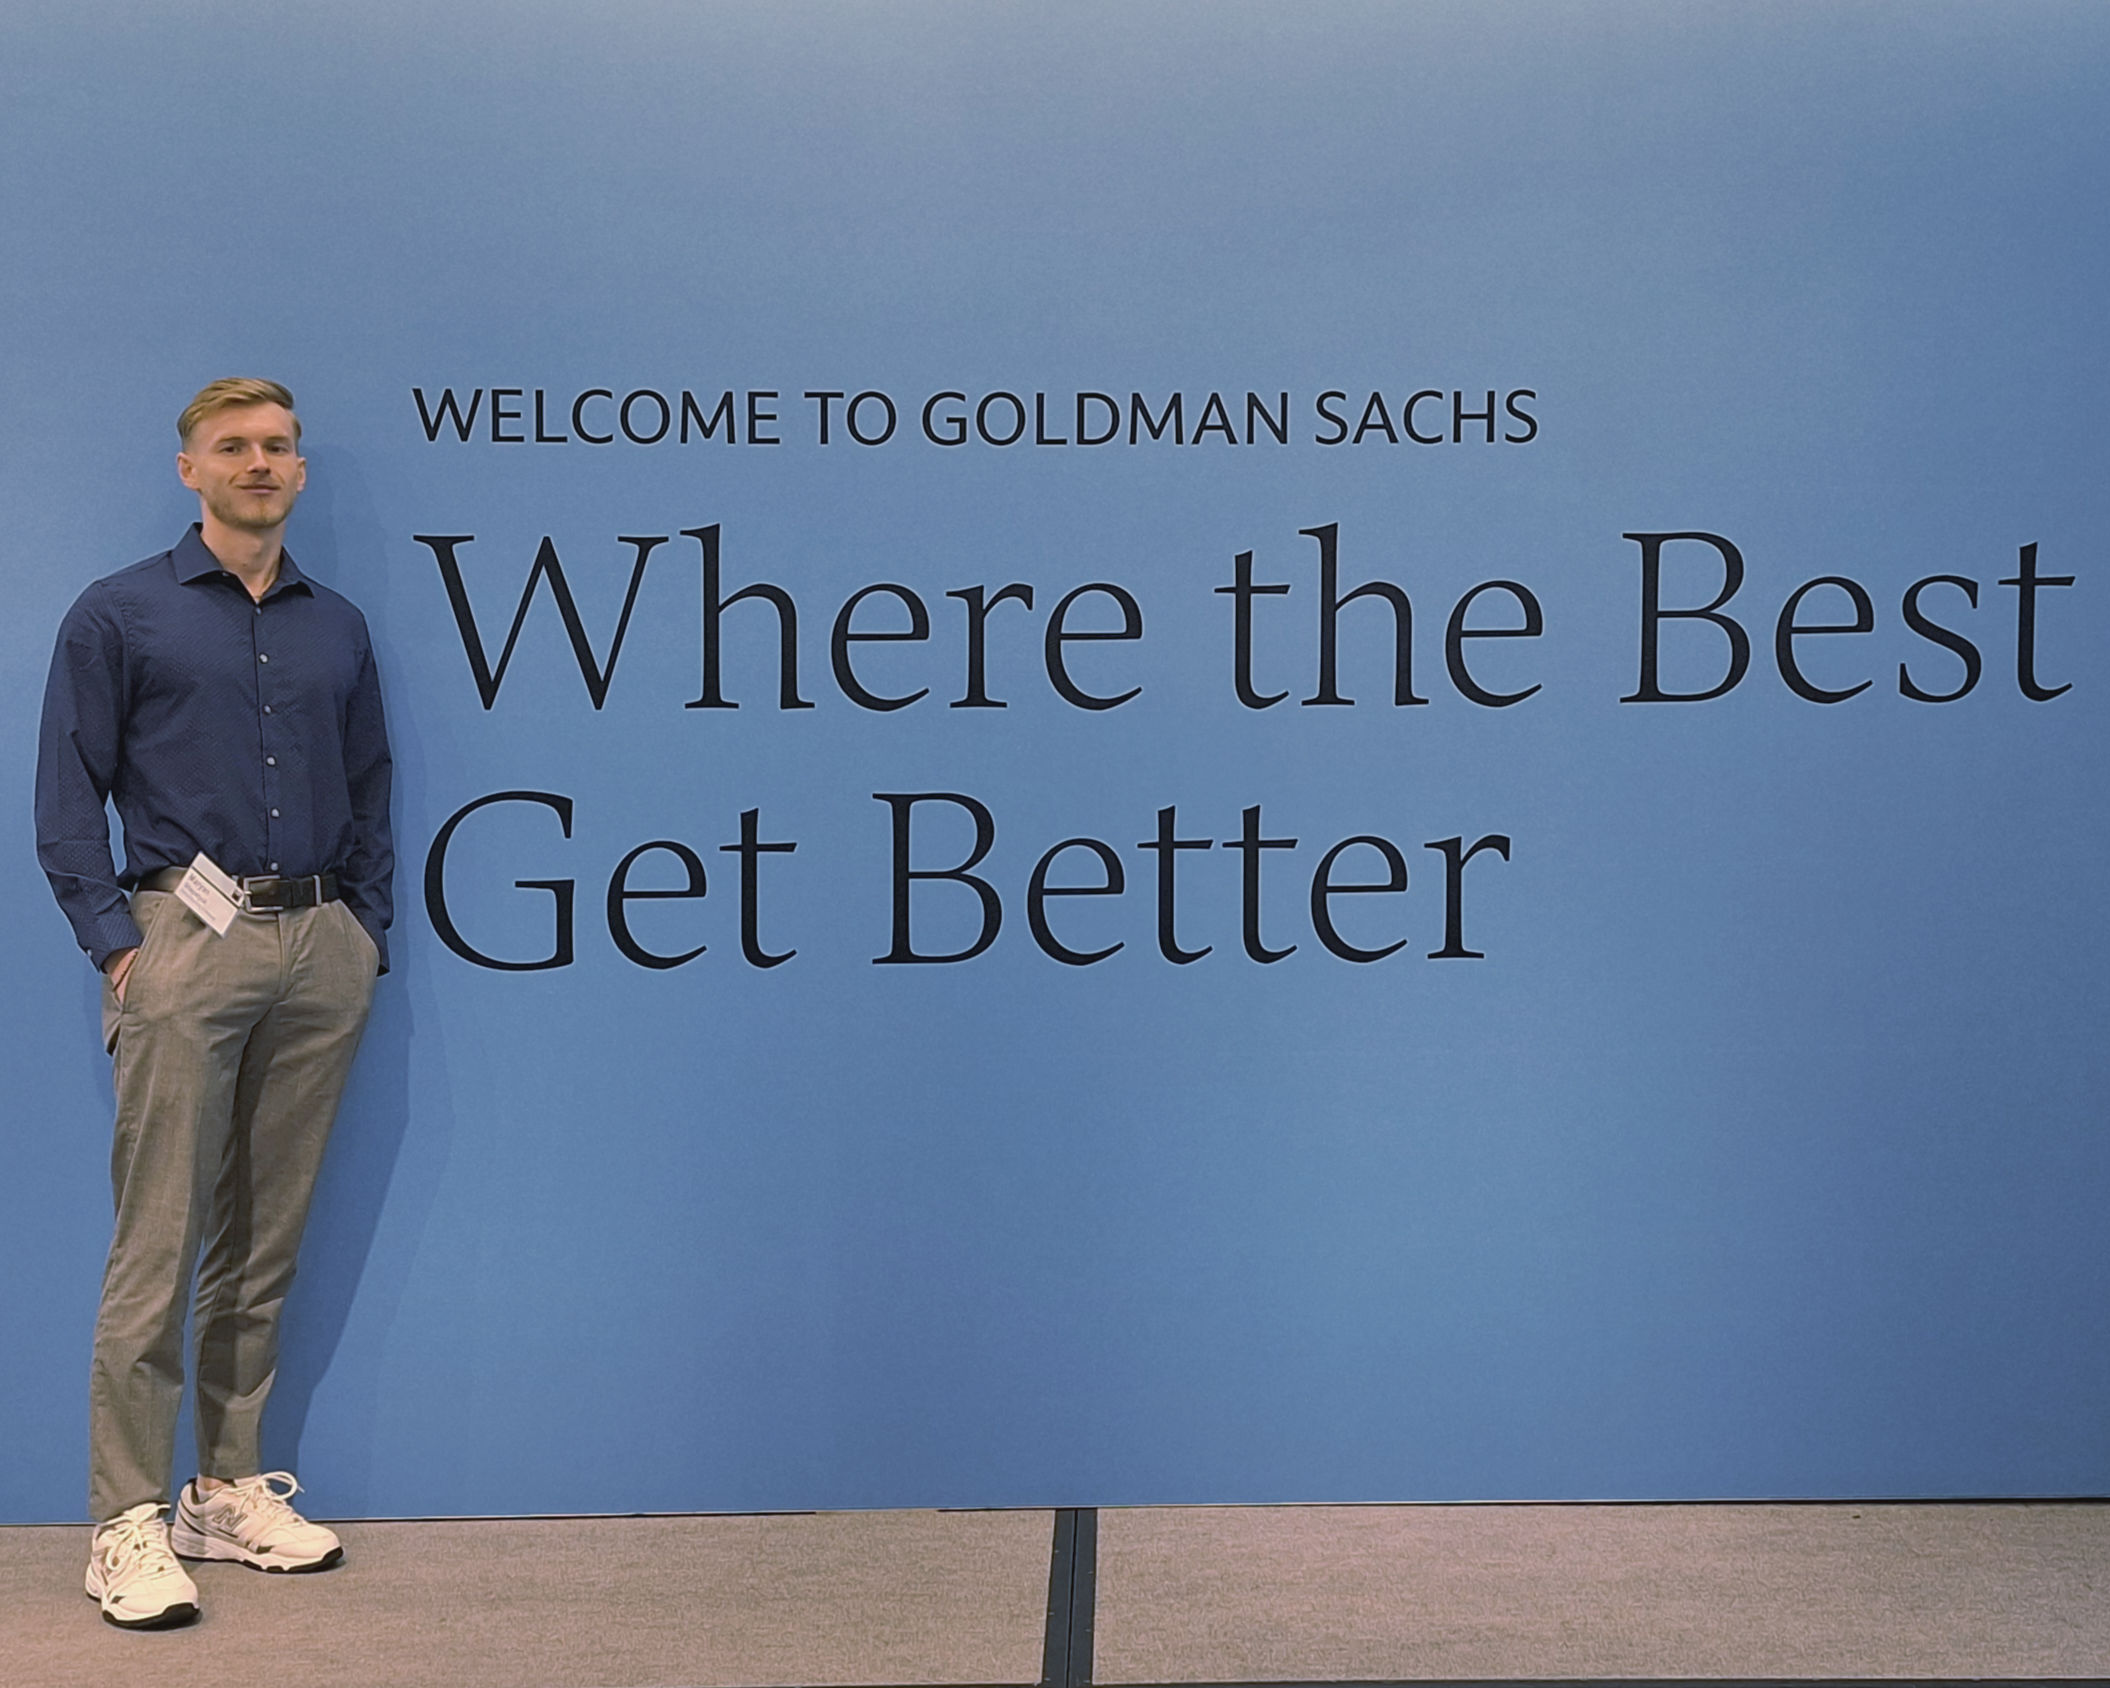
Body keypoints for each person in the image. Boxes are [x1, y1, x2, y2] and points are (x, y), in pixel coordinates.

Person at [36, 378, 393, 1629]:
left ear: (300, 470)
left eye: (278, 447)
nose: (260, 462)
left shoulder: (333, 624)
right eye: (233, 447)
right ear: (189, 469)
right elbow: (67, 794)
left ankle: (225, 1489)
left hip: (317, 943)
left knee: (265, 1234)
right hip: (181, 937)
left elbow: (370, 780)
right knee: (160, 1238)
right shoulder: (120, 614)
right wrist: (114, 945)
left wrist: (366, 931)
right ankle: (123, 1519)